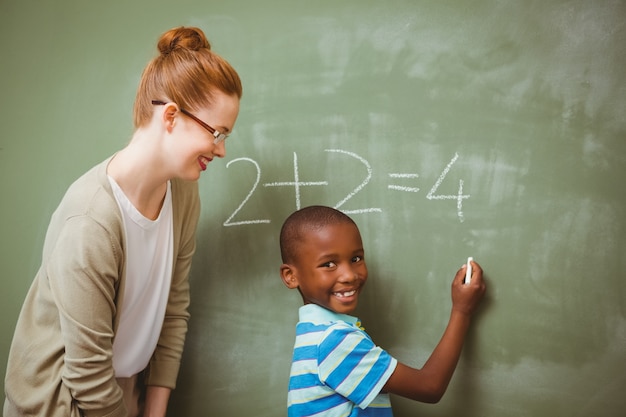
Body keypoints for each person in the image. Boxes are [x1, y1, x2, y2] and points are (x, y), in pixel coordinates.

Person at [3, 26, 242, 417]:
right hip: (60, 404)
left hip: (122, 396)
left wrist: (155, 408)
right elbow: (87, 376)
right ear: (170, 116)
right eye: (216, 133)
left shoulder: (183, 193)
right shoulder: (91, 221)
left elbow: (173, 308)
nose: (221, 149)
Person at [279, 205, 486, 416]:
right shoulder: (335, 341)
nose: (349, 275)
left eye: (356, 259)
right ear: (290, 276)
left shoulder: (314, 335)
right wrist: (462, 310)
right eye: (329, 264)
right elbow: (429, 387)